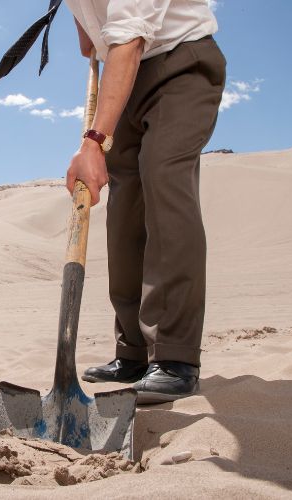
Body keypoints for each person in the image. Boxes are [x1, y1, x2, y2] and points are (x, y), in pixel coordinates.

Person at [62, 1, 226, 403]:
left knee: (163, 175)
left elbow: (132, 36)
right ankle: (133, 352)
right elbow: (92, 36)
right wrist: (88, 30)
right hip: (124, 77)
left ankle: (174, 357)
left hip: (180, 63)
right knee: (125, 212)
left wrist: (94, 142)